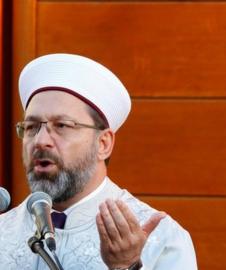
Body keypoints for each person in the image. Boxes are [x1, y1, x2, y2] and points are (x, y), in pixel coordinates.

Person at [0, 53, 197, 269]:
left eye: (62, 126)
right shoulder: (4, 232)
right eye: (31, 127)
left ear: (103, 143)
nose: (40, 141)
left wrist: (125, 266)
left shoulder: (161, 239)